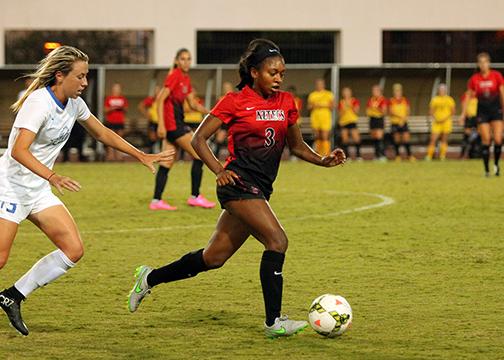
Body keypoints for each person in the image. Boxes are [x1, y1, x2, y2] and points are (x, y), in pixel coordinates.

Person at [127, 39, 346, 338]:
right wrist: (219, 170)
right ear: (254, 72)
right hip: (238, 185)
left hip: (260, 189)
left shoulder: (285, 103)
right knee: (277, 241)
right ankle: (274, 322)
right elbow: (198, 139)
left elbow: (295, 146)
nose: (279, 77)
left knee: (213, 258)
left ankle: (149, 278)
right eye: (273, 72)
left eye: (282, 72)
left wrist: (323, 160)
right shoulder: (235, 100)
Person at [0, 46, 173, 336]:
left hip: (38, 188)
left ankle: (13, 296)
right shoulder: (39, 103)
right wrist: (53, 176)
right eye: (80, 77)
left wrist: (140, 154)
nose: (85, 83)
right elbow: (18, 150)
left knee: (73, 250)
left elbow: (102, 133)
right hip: (11, 187)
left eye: (86, 76)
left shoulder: (74, 104)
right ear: (60, 76)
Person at [149, 49, 216, 211]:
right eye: (183, 59)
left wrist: (212, 112)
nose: (186, 62)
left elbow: (193, 104)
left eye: (189, 59)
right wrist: (161, 125)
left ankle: (156, 201)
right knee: (199, 154)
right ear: (177, 61)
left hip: (177, 124)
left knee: (166, 163)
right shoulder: (175, 76)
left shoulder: (185, 79)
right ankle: (195, 196)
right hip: (174, 126)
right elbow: (160, 99)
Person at [460, 52, 504, 176]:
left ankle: (496, 165)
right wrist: (463, 114)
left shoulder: (496, 75)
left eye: (485, 62)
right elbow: (468, 96)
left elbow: (502, 93)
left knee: (498, 139)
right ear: (478, 64)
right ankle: (486, 170)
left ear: (489, 63)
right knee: (486, 139)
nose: (483, 65)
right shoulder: (474, 79)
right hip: (482, 112)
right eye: (481, 62)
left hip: (496, 110)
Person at [426, 84, 455, 161]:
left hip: (446, 122)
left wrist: (444, 118)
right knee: (433, 139)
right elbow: (431, 111)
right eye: (440, 90)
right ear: (438, 91)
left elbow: (452, 111)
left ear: (446, 91)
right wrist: (436, 118)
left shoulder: (449, 99)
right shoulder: (435, 99)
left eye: (443, 90)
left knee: (444, 139)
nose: (442, 91)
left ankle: (442, 156)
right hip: (437, 122)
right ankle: (429, 155)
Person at [307, 78, 334, 156]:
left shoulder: (329, 94)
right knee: (317, 136)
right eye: (318, 84)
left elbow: (332, 106)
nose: (319, 85)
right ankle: (318, 154)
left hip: (325, 117)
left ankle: (326, 153)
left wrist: (322, 105)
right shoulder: (312, 95)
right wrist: (314, 106)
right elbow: (309, 107)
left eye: (321, 84)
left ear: (324, 85)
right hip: (315, 118)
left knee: (324, 136)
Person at [389, 83, 415, 162]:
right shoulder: (391, 100)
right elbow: (391, 112)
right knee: (396, 140)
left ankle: (409, 155)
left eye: (399, 91)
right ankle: (397, 156)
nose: (397, 92)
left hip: (403, 122)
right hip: (395, 122)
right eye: (396, 91)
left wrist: (403, 120)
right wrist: (400, 117)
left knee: (406, 139)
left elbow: (408, 111)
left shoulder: (405, 100)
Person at [104, 83, 128, 161]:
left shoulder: (123, 98)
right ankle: (111, 156)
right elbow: (105, 110)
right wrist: (112, 108)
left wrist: (121, 108)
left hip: (120, 121)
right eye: (115, 88)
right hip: (111, 121)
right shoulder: (109, 98)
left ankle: (119, 156)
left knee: (120, 139)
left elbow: (126, 109)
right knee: (110, 139)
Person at [338, 87, 361, 160]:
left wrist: (350, 105)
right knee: (345, 139)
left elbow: (357, 111)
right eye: (344, 92)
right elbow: (340, 114)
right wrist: (344, 109)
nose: (346, 94)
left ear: (350, 93)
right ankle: (347, 156)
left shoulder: (354, 101)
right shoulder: (341, 102)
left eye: (347, 92)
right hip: (344, 122)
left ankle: (358, 156)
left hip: (352, 121)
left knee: (356, 138)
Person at [211, 82, 233, 159]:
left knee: (234, 140)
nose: (227, 89)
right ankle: (215, 157)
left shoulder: (234, 98)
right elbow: (216, 112)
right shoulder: (221, 99)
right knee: (219, 139)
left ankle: (233, 158)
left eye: (228, 87)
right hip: (224, 122)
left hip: (232, 122)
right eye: (225, 88)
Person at [366, 85, 388, 160]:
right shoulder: (371, 100)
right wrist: (372, 110)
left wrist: (376, 108)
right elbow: (368, 110)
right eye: (373, 90)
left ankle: (382, 155)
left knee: (379, 137)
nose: (374, 92)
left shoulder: (382, 99)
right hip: (372, 119)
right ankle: (376, 155)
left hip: (379, 119)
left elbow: (384, 111)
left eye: (375, 90)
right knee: (374, 136)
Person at [138, 85, 162, 154]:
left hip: (161, 122)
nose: (157, 92)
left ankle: (160, 153)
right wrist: (146, 114)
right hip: (153, 122)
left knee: (161, 138)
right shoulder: (151, 100)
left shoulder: (163, 100)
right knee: (152, 138)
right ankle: (150, 153)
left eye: (158, 90)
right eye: (155, 90)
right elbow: (141, 106)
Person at [459, 92, 479, 158]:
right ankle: (463, 154)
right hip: (469, 118)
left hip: (478, 118)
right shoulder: (466, 95)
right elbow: (463, 106)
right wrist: (464, 116)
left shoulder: (479, 94)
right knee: (467, 136)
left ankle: (475, 154)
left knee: (478, 136)